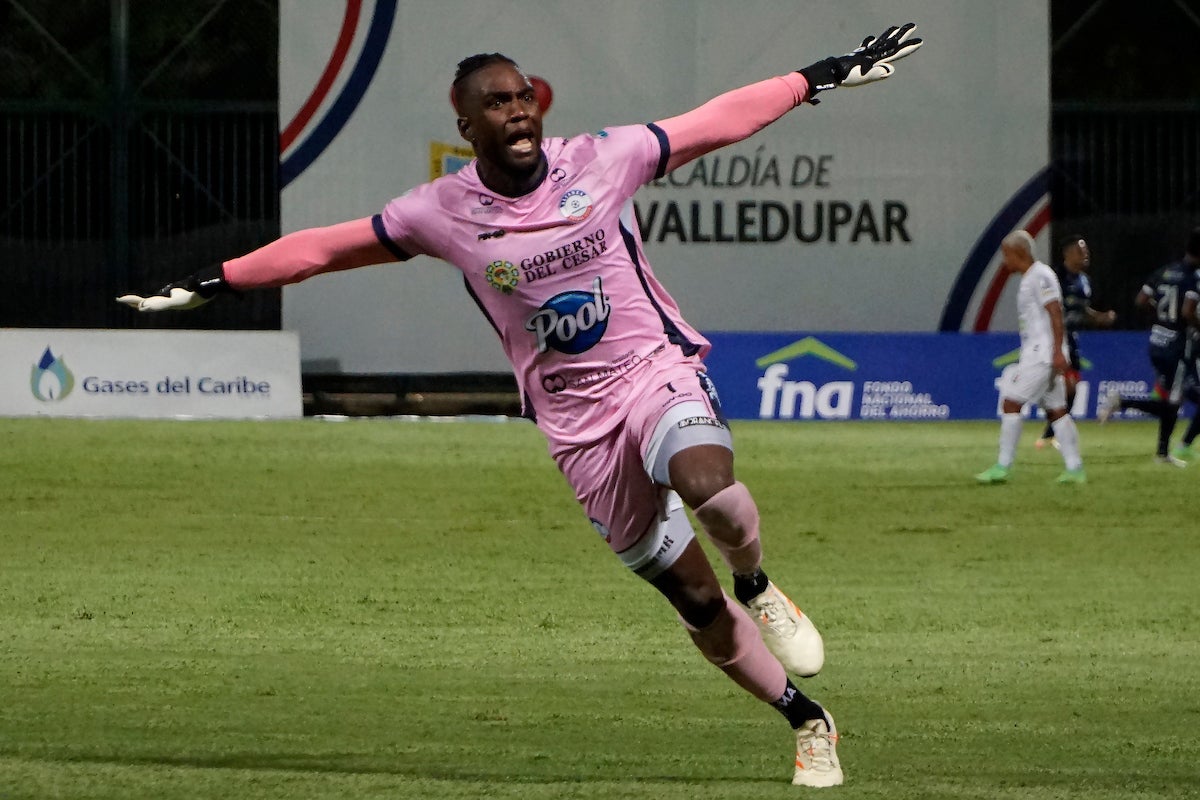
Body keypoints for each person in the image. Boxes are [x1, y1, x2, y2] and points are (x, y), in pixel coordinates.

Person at [117, 25, 925, 788]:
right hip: (577, 431)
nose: (517, 111)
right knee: (693, 602)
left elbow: (715, 122)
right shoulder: (440, 212)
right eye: (497, 103)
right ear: (466, 126)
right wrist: (220, 279)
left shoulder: (602, 160)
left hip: (653, 373)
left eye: (524, 97)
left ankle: (757, 581)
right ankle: (807, 719)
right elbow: (325, 247)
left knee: (707, 482)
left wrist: (818, 77)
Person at [976, 230, 1087, 484]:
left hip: (1042, 355)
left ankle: (1003, 466)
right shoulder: (1032, 277)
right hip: (1042, 353)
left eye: (1006, 255)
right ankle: (1075, 469)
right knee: (1057, 411)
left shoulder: (1040, 276)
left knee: (1011, 403)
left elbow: (1055, 312)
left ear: (1019, 253)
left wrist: (1057, 351)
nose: (1004, 261)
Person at [1098, 226, 1200, 466]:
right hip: (1178, 348)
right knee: (1172, 404)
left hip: (1157, 342)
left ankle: (1163, 453)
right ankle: (1121, 402)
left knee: (1171, 402)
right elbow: (1188, 312)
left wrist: (1162, 318)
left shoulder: (1165, 271)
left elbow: (1141, 300)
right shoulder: (1194, 276)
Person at [1036, 234, 1116, 449]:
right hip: (1049, 338)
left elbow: (1081, 310)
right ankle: (1049, 432)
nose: (1086, 254)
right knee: (1060, 387)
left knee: (1071, 388)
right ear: (1068, 254)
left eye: (1086, 250)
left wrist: (1099, 317)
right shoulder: (1054, 277)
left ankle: (1050, 435)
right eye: (1081, 251)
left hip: (1069, 338)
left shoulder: (1084, 281)